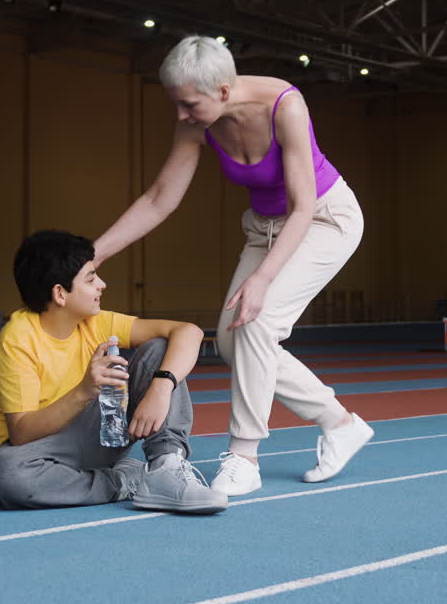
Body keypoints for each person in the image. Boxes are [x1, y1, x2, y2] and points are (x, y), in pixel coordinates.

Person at [93, 35, 372, 496]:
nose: (181, 116)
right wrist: (95, 252)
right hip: (264, 228)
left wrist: (262, 280)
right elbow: (160, 198)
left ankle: (244, 456)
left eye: (188, 105)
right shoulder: (196, 120)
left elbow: (303, 207)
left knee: (257, 325)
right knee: (230, 341)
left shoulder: (285, 105)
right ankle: (338, 422)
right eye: (176, 104)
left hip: (323, 219)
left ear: (223, 91)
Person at [0, 229, 227, 514]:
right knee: (4, 474)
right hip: (42, 451)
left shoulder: (96, 322)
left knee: (159, 348)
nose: (102, 284)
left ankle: (165, 467)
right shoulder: (18, 338)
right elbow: (22, 433)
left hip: (103, 435)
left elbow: (187, 331)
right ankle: (124, 481)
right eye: (90, 278)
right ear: (60, 294)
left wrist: (161, 388)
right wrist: (84, 390)